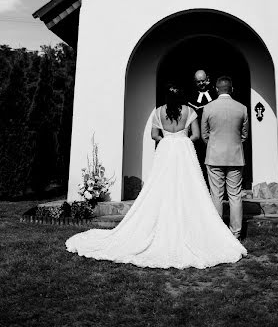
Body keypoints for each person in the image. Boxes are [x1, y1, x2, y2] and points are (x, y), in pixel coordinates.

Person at [65, 84, 246, 269]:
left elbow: (154, 135)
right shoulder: (189, 111)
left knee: (161, 185)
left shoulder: (159, 112)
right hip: (184, 151)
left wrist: (167, 141)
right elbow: (197, 135)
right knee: (189, 186)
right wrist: (182, 141)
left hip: (166, 150)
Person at [201, 76, 248, 240]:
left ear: (216, 89)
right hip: (235, 156)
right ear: (232, 89)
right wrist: (234, 144)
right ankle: (236, 233)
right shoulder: (242, 108)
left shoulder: (208, 108)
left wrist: (214, 144)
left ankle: (217, 233)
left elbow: (204, 134)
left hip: (214, 156)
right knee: (235, 195)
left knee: (216, 195)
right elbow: (244, 135)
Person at [187, 69, 217, 184]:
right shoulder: (191, 96)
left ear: (208, 79)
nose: (201, 84)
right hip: (197, 136)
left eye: (203, 81)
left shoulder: (215, 94)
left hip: (213, 135)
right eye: (198, 82)